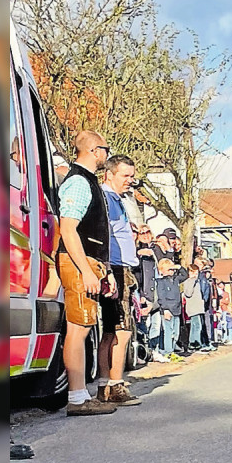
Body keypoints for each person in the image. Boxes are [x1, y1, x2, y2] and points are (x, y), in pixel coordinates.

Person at [56, 131, 119, 416]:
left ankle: (80, 394)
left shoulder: (87, 182)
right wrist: (86, 270)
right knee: (78, 328)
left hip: (90, 262)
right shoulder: (80, 182)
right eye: (105, 148)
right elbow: (68, 229)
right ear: (95, 150)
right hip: (79, 262)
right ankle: (78, 397)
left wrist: (104, 271)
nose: (107, 153)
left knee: (82, 327)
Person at [95, 154, 142, 407]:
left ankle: (108, 384)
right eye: (125, 176)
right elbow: (105, 234)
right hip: (115, 267)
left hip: (122, 266)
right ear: (109, 174)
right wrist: (109, 269)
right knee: (120, 330)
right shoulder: (106, 199)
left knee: (114, 329)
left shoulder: (117, 199)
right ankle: (114, 384)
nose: (130, 181)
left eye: (132, 176)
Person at [152, 258, 186, 362]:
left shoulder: (176, 280)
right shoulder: (161, 282)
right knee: (168, 332)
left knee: (175, 333)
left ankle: (173, 349)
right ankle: (168, 352)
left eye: (172, 269)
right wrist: (165, 309)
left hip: (177, 309)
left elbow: (185, 275)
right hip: (168, 310)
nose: (171, 271)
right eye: (168, 269)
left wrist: (178, 267)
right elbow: (161, 297)